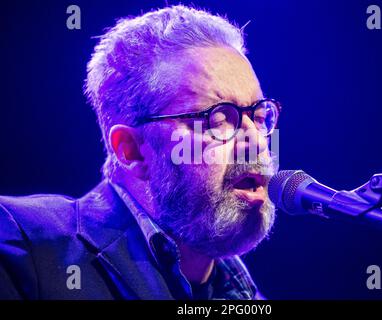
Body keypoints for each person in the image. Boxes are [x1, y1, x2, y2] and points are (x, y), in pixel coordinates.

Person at [0, 5, 281, 300]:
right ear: (132, 150)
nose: (258, 142)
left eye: (261, 117)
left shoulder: (243, 294)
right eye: (220, 118)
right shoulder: (25, 246)